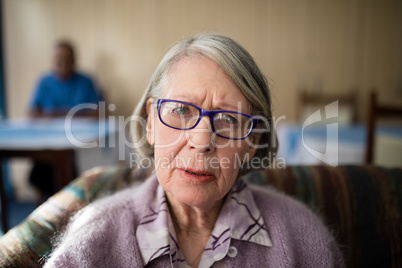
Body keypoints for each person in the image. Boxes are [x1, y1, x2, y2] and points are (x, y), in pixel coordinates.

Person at [44, 34, 345, 267]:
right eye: (181, 110)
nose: (202, 141)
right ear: (151, 123)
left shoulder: (304, 239)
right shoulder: (95, 237)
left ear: (252, 141)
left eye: (228, 119)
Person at [28, 41, 101, 199]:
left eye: (67, 59)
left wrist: (57, 114)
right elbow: (32, 113)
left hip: (77, 144)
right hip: (48, 143)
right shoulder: (44, 82)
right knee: (42, 170)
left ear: (74, 60)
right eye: (58, 59)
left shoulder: (85, 81)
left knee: (76, 170)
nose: (62, 64)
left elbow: (97, 113)